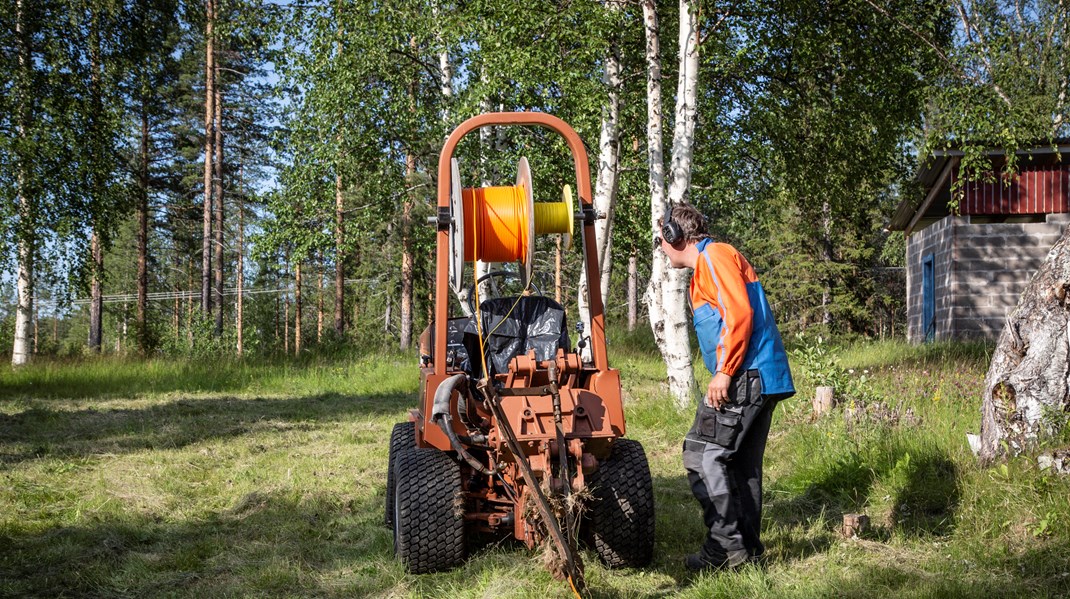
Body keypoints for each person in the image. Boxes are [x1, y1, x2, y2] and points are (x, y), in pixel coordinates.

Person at [657, 202, 795, 572]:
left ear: (675, 236)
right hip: (760, 376)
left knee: (700, 453)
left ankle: (725, 549)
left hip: (746, 375)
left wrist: (724, 372)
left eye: (661, 239)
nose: (661, 247)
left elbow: (740, 315)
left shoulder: (713, 258)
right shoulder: (711, 263)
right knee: (738, 465)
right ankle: (748, 553)